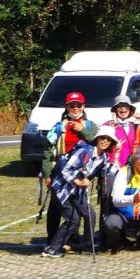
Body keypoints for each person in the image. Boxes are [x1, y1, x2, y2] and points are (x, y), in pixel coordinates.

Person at [41, 127, 119, 258]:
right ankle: (52, 248)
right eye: (102, 138)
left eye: (108, 140)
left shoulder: (103, 157)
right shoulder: (84, 151)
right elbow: (65, 170)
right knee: (73, 220)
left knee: (90, 214)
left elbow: (107, 172)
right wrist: (77, 181)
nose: (105, 141)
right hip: (62, 189)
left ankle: (88, 246)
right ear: (97, 139)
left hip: (78, 192)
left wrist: (116, 156)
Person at [42, 91, 99, 246]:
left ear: (83, 106)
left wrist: (82, 130)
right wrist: (47, 174)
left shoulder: (89, 125)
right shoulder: (59, 127)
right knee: (56, 207)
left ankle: (76, 238)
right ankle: (52, 239)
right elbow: (47, 150)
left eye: (78, 105)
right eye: (72, 105)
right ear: (67, 107)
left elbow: (96, 142)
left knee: (79, 205)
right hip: (60, 173)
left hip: (80, 172)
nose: (75, 108)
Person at [105, 95, 138, 169]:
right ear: (115, 110)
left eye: (126, 106)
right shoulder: (107, 125)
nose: (123, 108)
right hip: (113, 167)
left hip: (130, 167)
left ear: (130, 109)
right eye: (119, 106)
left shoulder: (134, 126)